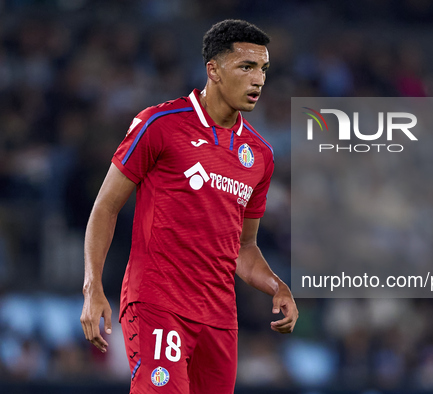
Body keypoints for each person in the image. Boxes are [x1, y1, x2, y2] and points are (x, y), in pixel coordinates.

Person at [80, 19, 298, 393]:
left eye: (263, 69)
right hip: (157, 304)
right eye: (246, 67)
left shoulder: (260, 154)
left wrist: (277, 286)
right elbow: (105, 207)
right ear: (213, 69)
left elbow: (243, 248)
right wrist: (93, 288)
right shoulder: (160, 124)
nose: (258, 79)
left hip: (219, 319)